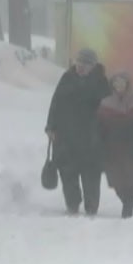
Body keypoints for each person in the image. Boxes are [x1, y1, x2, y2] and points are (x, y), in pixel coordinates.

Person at [45, 48, 110, 216]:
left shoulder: (101, 82)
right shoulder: (67, 78)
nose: (80, 67)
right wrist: (50, 126)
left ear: (93, 66)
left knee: (91, 176)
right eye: (79, 63)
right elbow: (55, 103)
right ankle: (72, 205)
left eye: (85, 64)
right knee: (68, 172)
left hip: (92, 138)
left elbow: (109, 110)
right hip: (66, 136)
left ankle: (91, 207)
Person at [97, 72, 133, 219]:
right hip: (112, 148)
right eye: (116, 83)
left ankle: (128, 206)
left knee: (132, 179)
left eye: (122, 82)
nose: (119, 86)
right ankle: (125, 200)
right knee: (115, 180)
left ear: (128, 85)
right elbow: (99, 125)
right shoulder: (105, 104)